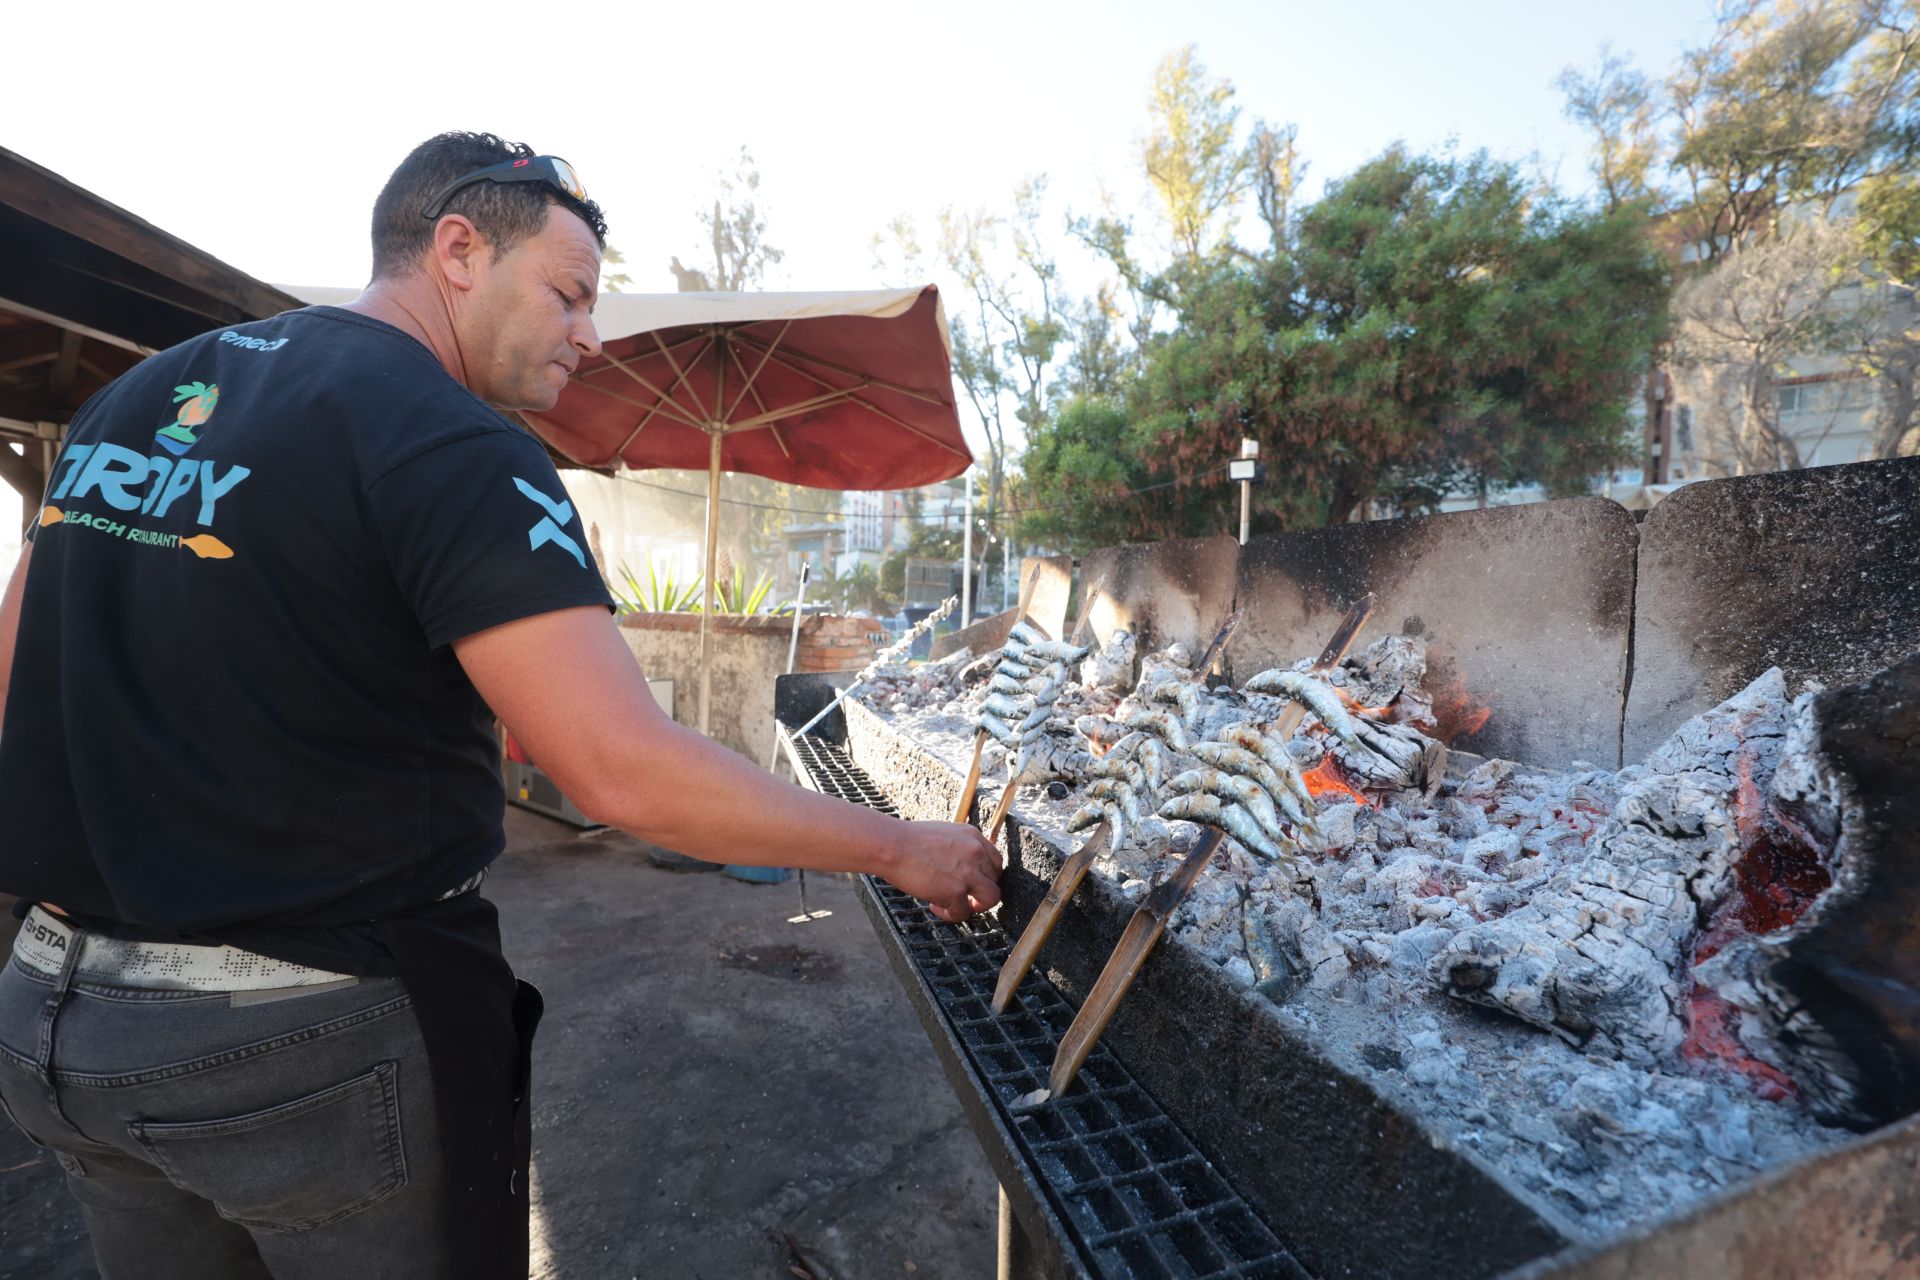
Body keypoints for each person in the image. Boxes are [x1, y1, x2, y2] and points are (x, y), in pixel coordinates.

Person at [0, 131, 1002, 1280]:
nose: (590, 332)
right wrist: (899, 843)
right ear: (460, 250)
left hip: (56, 1024)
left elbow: (12, 684)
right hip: (299, 1054)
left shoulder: (133, 399)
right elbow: (620, 771)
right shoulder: (456, 441)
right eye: (570, 293)